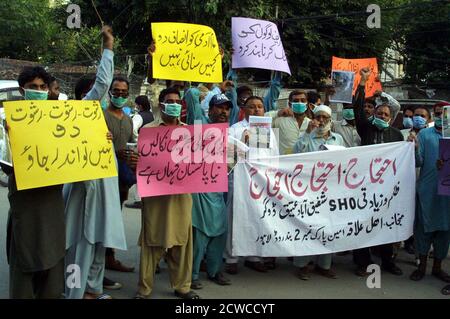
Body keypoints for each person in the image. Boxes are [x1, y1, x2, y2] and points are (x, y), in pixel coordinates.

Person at [63, 26, 128, 299]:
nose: (100, 95)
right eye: (93, 93)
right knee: (80, 244)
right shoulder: (76, 112)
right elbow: (102, 82)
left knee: (101, 239)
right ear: (85, 97)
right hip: (82, 187)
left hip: (105, 187)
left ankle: (93, 289)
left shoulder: (99, 120)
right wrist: (108, 46)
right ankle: (73, 293)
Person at [6, 66, 65, 299]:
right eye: (33, 87)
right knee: (25, 259)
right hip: (26, 203)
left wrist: (99, 139)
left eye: (43, 87)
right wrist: (9, 139)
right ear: (23, 90)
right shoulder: (8, 120)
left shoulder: (61, 120)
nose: (39, 91)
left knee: (52, 261)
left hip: (52, 202)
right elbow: (6, 166)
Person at [136, 87, 199, 299]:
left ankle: (183, 286)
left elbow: (199, 164)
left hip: (181, 196)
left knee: (182, 241)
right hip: (156, 197)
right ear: (161, 104)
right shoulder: (148, 131)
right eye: (169, 100)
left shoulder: (191, 132)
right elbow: (140, 163)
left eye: (176, 101)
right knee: (152, 241)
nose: (173, 104)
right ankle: (144, 289)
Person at [352, 68, 404, 277]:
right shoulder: (366, 128)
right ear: (372, 115)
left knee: (385, 225)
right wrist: (362, 83)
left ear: (391, 118)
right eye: (378, 113)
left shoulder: (397, 135)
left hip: (386, 188)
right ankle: (363, 262)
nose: (381, 116)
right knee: (363, 223)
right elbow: (357, 108)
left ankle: (388, 261)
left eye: (385, 114)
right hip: (365, 187)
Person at [225, 96, 279, 274]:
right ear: (244, 110)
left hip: (261, 183)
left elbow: (274, 158)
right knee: (234, 219)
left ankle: (253, 256)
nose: (256, 110)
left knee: (258, 218)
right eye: (252, 107)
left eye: (260, 107)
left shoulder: (269, 132)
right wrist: (242, 141)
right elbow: (228, 160)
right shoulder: (234, 130)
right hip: (239, 183)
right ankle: (231, 257)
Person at [291, 104, 344, 280]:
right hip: (309, 189)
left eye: (324, 118)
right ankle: (303, 265)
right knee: (307, 226)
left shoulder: (337, 139)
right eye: (318, 117)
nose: (321, 121)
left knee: (328, 227)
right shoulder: (307, 137)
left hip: (330, 190)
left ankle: (324, 265)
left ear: (330, 120)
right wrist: (307, 133)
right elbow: (297, 153)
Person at [188, 93, 232, 289]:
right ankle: (192, 274)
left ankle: (214, 271)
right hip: (199, 188)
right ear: (210, 109)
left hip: (218, 187)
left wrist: (232, 85)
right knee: (199, 236)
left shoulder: (228, 130)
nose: (224, 111)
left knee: (220, 232)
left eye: (227, 108)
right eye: (220, 107)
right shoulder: (200, 125)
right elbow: (190, 96)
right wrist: (199, 89)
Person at [409, 102, 450, 283]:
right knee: (423, 229)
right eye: (439, 113)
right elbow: (418, 162)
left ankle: (437, 268)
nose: (442, 117)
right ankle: (421, 267)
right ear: (434, 115)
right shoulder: (425, 134)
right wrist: (415, 148)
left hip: (447, 194)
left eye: (445, 114)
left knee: (444, 230)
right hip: (427, 191)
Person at [103, 76, 137, 274]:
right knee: (103, 219)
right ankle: (102, 260)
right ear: (109, 92)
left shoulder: (128, 120)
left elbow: (131, 143)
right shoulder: (100, 116)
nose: (120, 95)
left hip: (121, 181)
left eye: (124, 92)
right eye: (116, 91)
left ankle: (109, 257)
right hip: (104, 178)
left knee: (115, 219)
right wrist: (114, 153)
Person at [272, 90, 311, 155]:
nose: (299, 103)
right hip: (284, 162)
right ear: (290, 104)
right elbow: (261, 120)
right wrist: (277, 113)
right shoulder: (279, 121)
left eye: (303, 100)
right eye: (296, 101)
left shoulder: (311, 124)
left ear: (307, 104)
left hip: (305, 163)